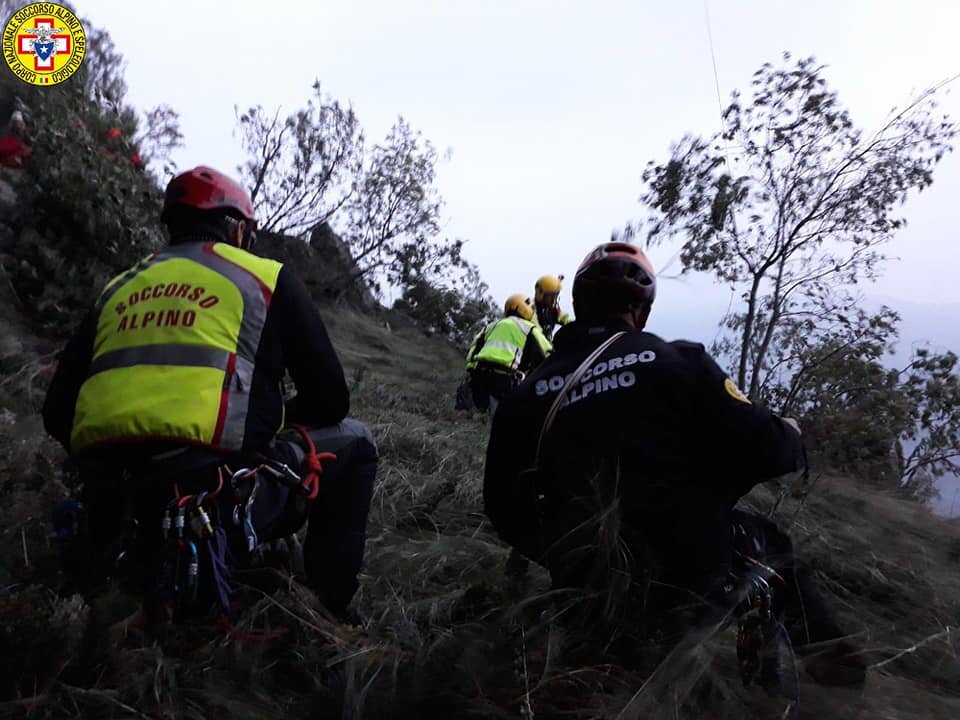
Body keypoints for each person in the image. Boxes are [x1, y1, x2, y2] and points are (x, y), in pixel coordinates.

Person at [483, 241, 865, 687]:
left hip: (583, 588)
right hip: (685, 584)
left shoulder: (526, 396)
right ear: (641, 311)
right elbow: (770, 449)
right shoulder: (678, 362)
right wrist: (791, 433)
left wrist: (565, 554)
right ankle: (835, 675)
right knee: (769, 544)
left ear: (578, 304)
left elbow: (501, 507)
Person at [42, 166, 378, 623]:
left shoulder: (118, 288)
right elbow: (332, 401)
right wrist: (266, 418)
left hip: (113, 504)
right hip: (213, 504)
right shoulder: (264, 278)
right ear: (237, 228)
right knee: (357, 443)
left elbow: (58, 411)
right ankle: (329, 610)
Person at [464, 293, 552, 415]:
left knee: (477, 415)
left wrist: (471, 370)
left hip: (479, 375)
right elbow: (547, 353)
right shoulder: (529, 328)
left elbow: (473, 350)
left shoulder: (491, 326)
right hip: (505, 379)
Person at [533, 274, 572, 340]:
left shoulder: (552, 310)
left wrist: (579, 326)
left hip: (545, 346)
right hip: (535, 347)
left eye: (556, 295)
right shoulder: (530, 311)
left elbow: (566, 319)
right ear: (540, 293)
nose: (554, 299)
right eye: (551, 295)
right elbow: (536, 333)